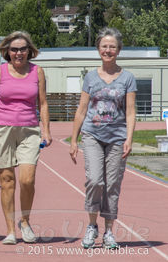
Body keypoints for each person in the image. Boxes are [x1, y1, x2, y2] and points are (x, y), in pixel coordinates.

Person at [0, 31, 52, 245]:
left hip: (29, 130)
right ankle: (10, 229)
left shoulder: (37, 72)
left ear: (29, 51)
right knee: (7, 181)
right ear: (7, 52)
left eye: (22, 49)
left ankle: (25, 221)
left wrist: (46, 130)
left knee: (27, 179)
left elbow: (43, 104)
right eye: (14, 49)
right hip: (3, 129)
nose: (18, 53)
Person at [70, 27, 136, 250]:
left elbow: (130, 112)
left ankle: (108, 231)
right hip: (92, 135)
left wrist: (129, 138)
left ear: (119, 50)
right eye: (104, 46)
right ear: (98, 49)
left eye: (112, 47)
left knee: (112, 185)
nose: (108, 50)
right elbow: (81, 109)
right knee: (95, 180)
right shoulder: (90, 77)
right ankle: (91, 226)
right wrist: (73, 140)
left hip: (117, 138)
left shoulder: (128, 78)